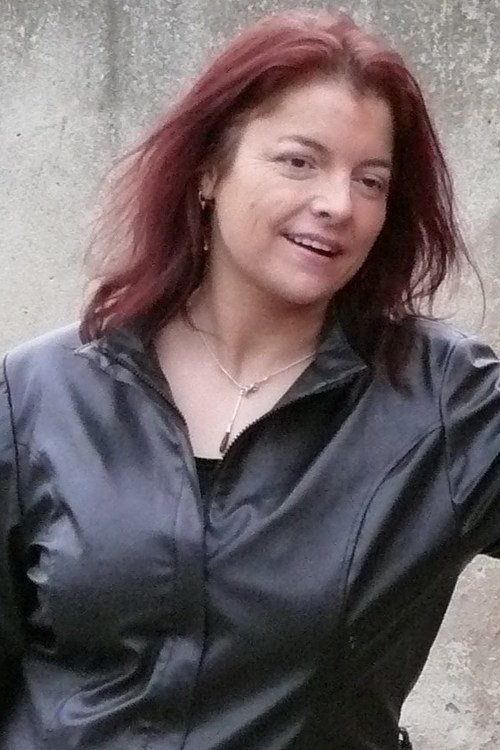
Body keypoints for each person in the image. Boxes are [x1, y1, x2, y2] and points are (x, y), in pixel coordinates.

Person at [0, 9, 498, 750]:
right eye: (299, 162)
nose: (338, 204)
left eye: (371, 180)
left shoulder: (446, 403)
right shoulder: (36, 395)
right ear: (209, 169)